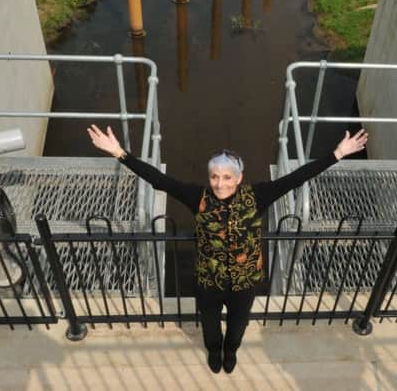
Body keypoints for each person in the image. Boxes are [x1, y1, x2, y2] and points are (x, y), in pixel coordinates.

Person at [87, 124, 368, 374]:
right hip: (209, 282)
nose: (220, 184)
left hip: (245, 283)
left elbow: (297, 178)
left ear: (238, 178)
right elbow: (158, 180)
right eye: (215, 177)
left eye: (226, 177)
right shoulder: (198, 197)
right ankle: (213, 350)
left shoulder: (257, 196)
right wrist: (119, 153)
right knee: (210, 327)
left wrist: (337, 154)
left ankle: (230, 350)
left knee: (237, 327)